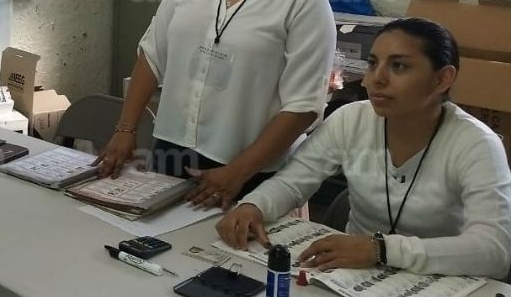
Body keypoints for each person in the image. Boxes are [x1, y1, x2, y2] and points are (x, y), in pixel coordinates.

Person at [97, 0, 337, 211]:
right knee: (158, 238)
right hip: (170, 150)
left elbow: (303, 106)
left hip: (247, 168)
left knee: (225, 245)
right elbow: (152, 54)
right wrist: (125, 129)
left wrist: (237, 172)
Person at [217, 18, 511, 278]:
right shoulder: (351, 119)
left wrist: (380, 250)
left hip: (441, 279)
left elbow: (495, 251)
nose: (375, 80)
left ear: (442, 79)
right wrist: (253, 205)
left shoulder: (477, 144)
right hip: (352, 277)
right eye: (373, 64)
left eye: (399, 66)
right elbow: (293, 181)